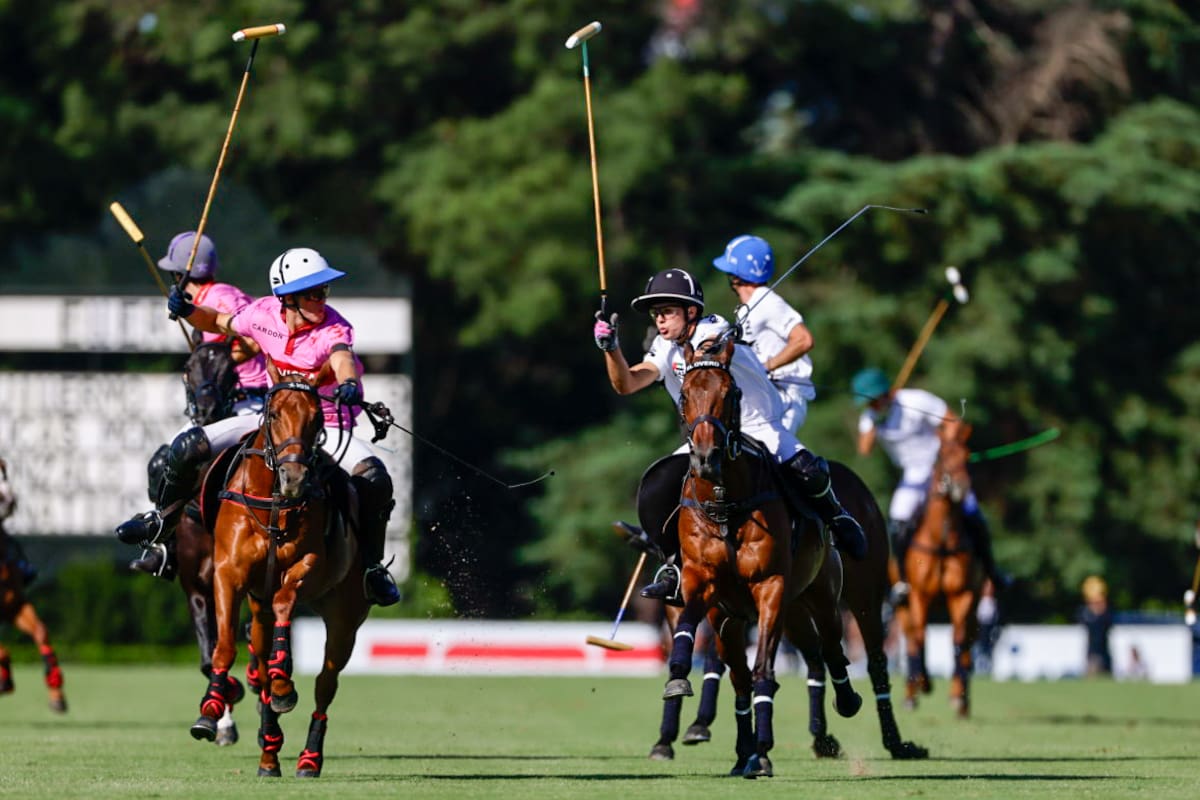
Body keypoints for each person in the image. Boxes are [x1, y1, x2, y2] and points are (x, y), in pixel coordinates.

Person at [115, 247, 401, 606]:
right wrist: (188, 311)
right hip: (273, 422)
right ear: (289, 298)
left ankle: (372, 569)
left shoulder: (333, 326)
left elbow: (342, 356)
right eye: (313, 293)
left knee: (376, 478)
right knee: (188, 446)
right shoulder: (263, 314)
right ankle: (162, 523)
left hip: (326, 425)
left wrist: (348, 384)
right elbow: (219, 323)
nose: (322, 299)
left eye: (324, 291)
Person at [594, 268, 866, 602]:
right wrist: (611, 348)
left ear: (691, 311)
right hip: (710, 435)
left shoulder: (713, 328)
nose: (660, 322)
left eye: (666, 312)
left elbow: (707, 349)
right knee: (659, 485)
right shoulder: (665, 348)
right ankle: (673, 565)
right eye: (656, 315)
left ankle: (838, 517)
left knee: (808, 469)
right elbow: (627, 384)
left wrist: (721, 343)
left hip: (758, 423)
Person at [126, 232, 270, 577]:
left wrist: (222, 358)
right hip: (220, 405)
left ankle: (166, 544)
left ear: (180, 275)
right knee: (164, 461)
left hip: (246, 401)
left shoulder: (222, 297)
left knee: (172, 458)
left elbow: (255, 337)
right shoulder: (208, 297)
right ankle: (166, 546)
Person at [851, 367, 1006, 603]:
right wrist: (874, 420)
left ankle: (992, 571)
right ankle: (902, 581)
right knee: (897, 517)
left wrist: (950, 451)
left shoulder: (915, 400)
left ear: (885, 393)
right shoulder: (871, 416)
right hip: (912, 474)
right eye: (868, 404)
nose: (870, 407)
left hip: (938, 466)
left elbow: (952, 420)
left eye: (872, 402)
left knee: (972, 510)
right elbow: (864, 450)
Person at [711, 235, 815, 433]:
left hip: (787, 395)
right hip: (764, 395)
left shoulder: (768, 301)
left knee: (772, 453)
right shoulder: (747, 308)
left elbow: (803, 340)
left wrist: (766, 366)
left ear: (736, 276)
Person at [1078, 575, 1113, 676]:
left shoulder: (1106, 614)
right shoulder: (1086, 614)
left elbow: (1107, 620)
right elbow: (1084, 619)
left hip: (1105, 653)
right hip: (1093, 654)